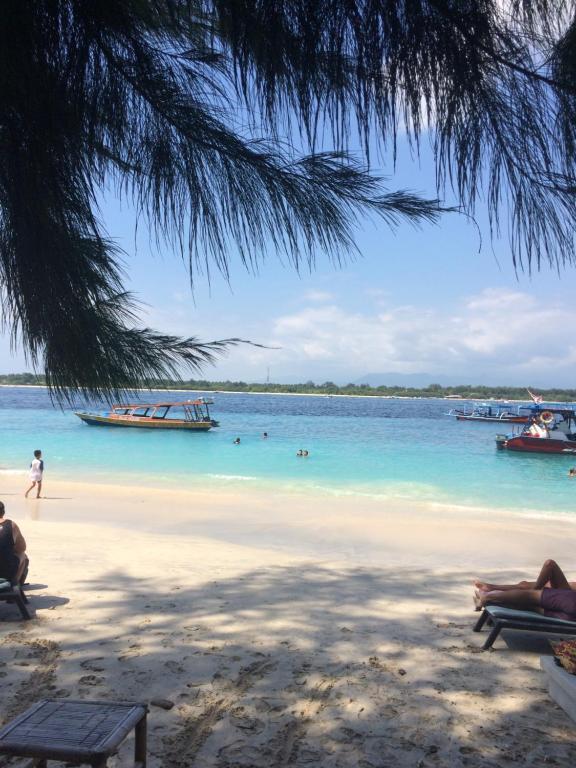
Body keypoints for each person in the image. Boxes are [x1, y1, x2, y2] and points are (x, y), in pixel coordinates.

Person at [474, 559, 576, 620]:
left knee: (531, 595)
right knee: (528, 592)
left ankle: (487, 597)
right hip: (570, 610)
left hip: (571, 602)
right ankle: (491, 590)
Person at [0, 501, 28, 585]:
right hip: (5, 572)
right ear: (3, 512)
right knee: (22, 555)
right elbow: (22, 548)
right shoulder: (11, 525)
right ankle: (14, 583)